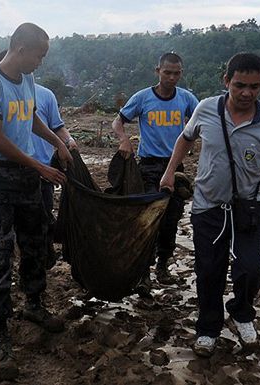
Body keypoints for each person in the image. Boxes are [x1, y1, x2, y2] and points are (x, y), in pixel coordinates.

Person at [159, 52, 260, 355]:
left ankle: (241, 313)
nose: (246, 93)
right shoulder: (205, 109)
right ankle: (208, 328)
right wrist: (170, 172)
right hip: (207, 207)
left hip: (249, 208)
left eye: (254, 87)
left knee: (251, 270)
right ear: (226, 81)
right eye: (240, 85)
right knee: (209, 271)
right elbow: (185, 139)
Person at [0, 22, 73, 377]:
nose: (41, 63)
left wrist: (57, 143)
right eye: (40, 55)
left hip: (27, 178)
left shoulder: (26, 80)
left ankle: (33, 303)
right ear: (21, 49)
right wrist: (39, 167)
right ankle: (0, 335)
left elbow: (29, 118)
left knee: (35, 244)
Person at [112, 52, 199, 296]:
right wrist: (124, 140)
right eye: (167, 72)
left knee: (171, 218)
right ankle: (143, 273)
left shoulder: (187, 99)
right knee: (149, 219)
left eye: (177, 73)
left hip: (176, 166)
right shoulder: (142, 98)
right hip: (149, 166)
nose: (172, 77)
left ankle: (163, 266)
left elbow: (200, 122)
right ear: (157, 71)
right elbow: (117, 122)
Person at [0, 48, 77, 268]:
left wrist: (66, 142)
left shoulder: (42, 93)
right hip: (12, 171)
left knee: (41, 219)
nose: (39, 62)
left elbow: (56, 125)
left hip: (42, 170)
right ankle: (14, 262)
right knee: (5, 229)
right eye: (38, 56)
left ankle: (42, 259)